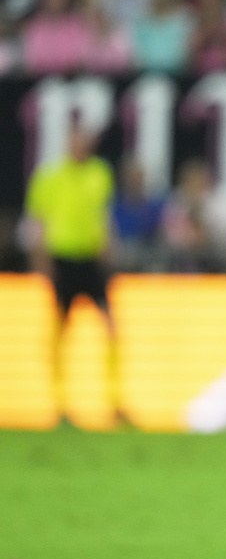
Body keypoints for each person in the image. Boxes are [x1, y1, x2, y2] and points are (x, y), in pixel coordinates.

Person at [22, 125, 123, 426]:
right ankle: (59, 404)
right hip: (62, 258)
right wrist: (41, 259)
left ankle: (114, 401)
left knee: (112, 328)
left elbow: (103, 215)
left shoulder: (100, 174)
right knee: (59, 334)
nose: (80, 147)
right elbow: (38, 221)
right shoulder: (49, 177)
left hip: (91, 259)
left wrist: (109, 246)